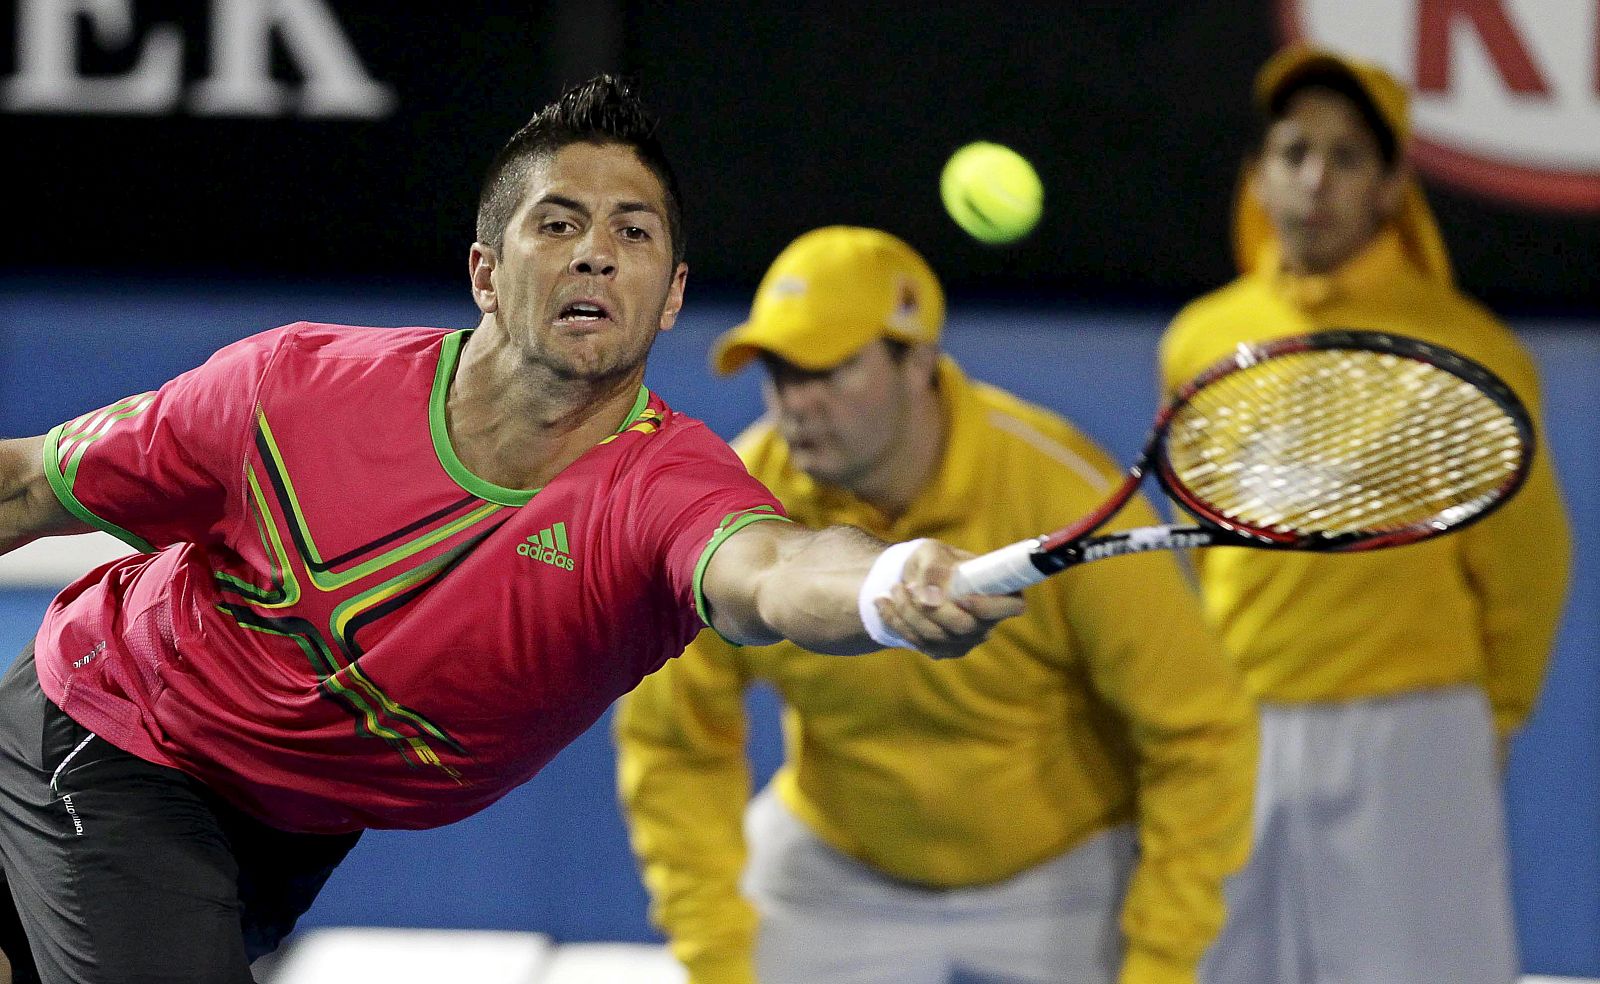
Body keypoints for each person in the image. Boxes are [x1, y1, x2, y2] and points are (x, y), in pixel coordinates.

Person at [0, 79, 1024, 983]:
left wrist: (882, 584)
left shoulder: (662, 486)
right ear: (486, 273)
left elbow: (777, 566)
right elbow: (27, 488)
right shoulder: (290, 389)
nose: (596, 253)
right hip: (113, 731)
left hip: (280, 828)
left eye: (634, 233)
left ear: (669, 297)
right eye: (559, 223)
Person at [615, 226, 1259, 984]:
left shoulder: (1062, 492)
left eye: (831, 369)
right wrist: (719, 962)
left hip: (1063, 874)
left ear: (918, 361)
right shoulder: (737, 505)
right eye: (781, 371)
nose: (799, 403)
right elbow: (673, 745)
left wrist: (1161, 962)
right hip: (839, 863)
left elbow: (1200, 736)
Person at [1159, 47, 1574, 984]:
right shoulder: (1201, 340)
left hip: (1412, 734)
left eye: (1348, 158)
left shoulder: (1471, 354)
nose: (1315, 181)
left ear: (1390, 189)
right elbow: (1205, 549)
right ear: (1259, 174)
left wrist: (1491, 718)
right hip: (1242, 725)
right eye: (1294, 151)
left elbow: (1527, 565)